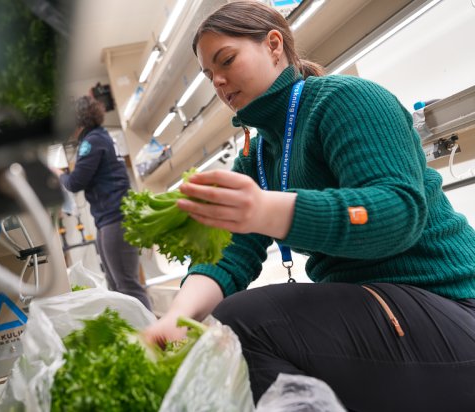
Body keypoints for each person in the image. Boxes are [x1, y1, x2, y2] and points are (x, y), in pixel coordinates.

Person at [142, 2, 475, 411]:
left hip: (448, 306)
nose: (220, 81)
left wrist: (266, 209)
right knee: (220, 330)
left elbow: (396, 212)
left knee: (244, 322)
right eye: (209, 75)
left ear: (274, 45)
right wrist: (179, 315)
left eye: (226, 60)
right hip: (385, 312)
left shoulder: (347, 100)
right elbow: (229, 253)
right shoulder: (259, 154)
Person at [52, 95, 151, 309]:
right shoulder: (99, 138)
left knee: (127, 285)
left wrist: (58, 173)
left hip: (116, 219)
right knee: (117, 286)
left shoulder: (92, 141)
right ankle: (135, 332)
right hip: (109, 219)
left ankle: (154, 336)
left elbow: (75, 182)